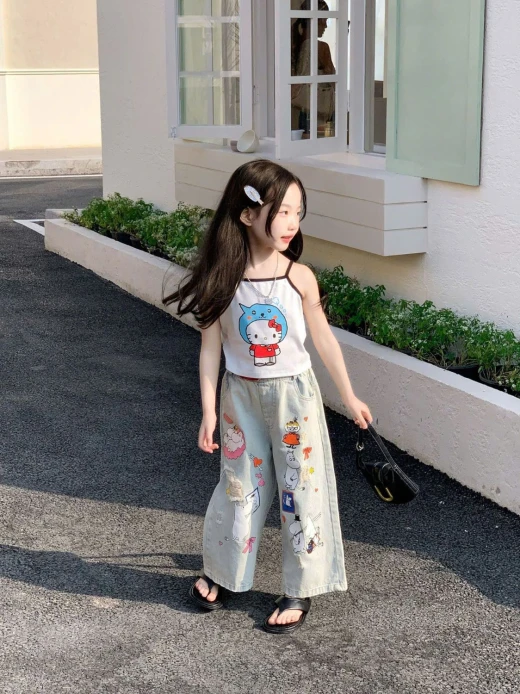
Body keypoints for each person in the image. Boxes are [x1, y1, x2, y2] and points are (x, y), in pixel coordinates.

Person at [163, 159, 372, 634]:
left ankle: (302, 586)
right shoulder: (222, 279)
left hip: (295, 400)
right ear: (247, 214)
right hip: (240, 398)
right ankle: (224, 573)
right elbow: (210, 349)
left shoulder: (300, 277)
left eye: (298, 211)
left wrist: (350, 396)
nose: (292, 222)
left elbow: (324, 341)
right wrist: (208, 412)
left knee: (302, 490)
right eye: (283, 212)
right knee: (239, 488)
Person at [291, 0, 336, 134]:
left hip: (301, 110)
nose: (326, 25)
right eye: (324, 20)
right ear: (315, 20)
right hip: (316, 112)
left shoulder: (295, 43)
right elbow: (333, 80)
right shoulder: (321, 47)